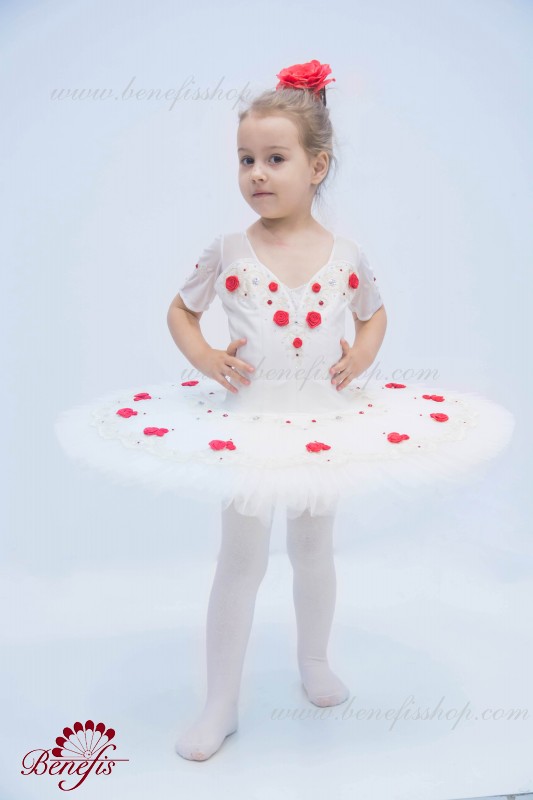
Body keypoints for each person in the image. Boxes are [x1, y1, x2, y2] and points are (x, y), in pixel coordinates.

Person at [54, 59, 515, 762]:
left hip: (325, 426)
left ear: (317, 165)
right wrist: (206, 358)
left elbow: (374, 314)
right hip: (249, 428)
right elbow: (181, 310)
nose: (256, 174)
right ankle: (219, 702)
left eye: (275, 158)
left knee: (312, 551)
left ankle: (314, 662)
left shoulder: (345, 253)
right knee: (240, 562)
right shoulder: (228, 249)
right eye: (245, 160)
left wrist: (362, 356)